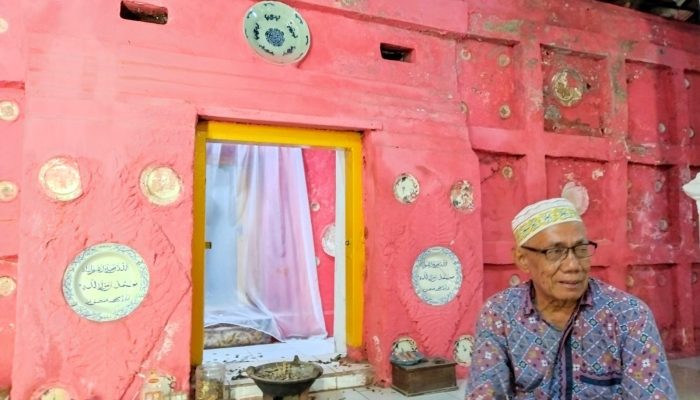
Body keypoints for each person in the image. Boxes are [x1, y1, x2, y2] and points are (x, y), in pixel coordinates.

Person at [465, 198, 678, 399]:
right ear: (522, 259)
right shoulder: (499, 314)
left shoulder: (629, 316)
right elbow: (484, 393)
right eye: (555, 252)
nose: (573, 265)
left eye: (581, 249)